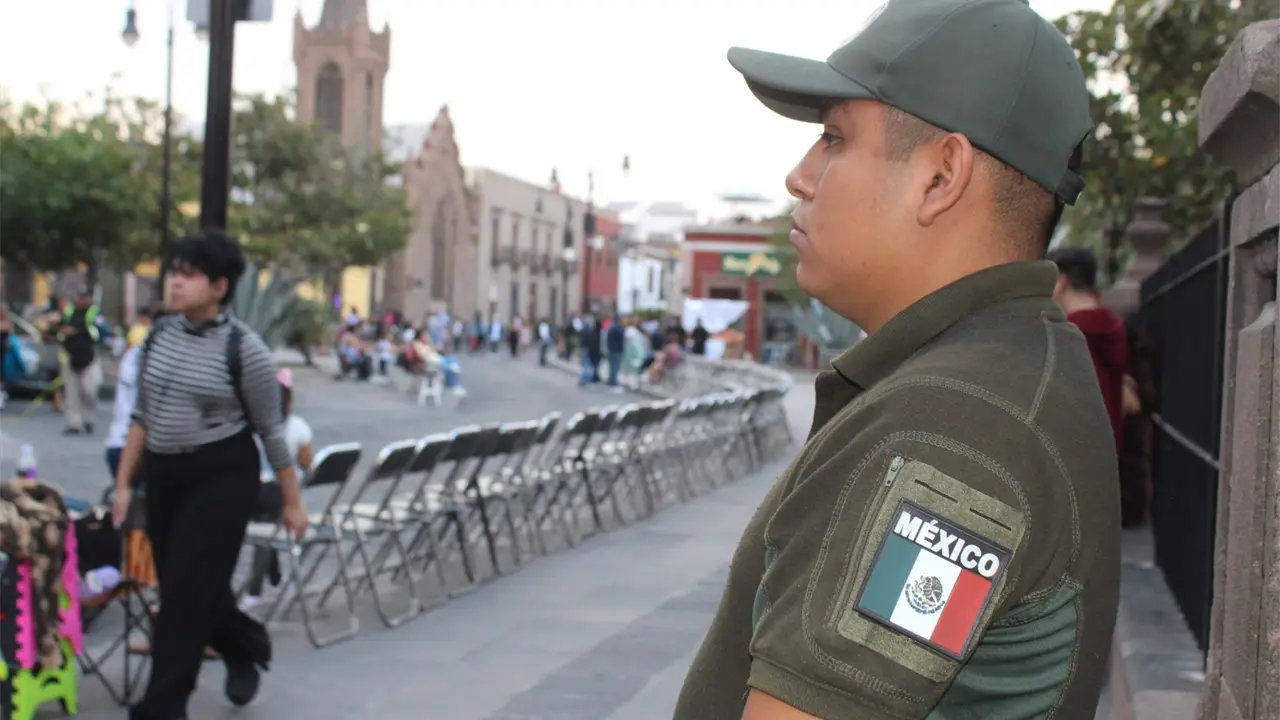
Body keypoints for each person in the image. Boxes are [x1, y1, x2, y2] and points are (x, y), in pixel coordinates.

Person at [674, 2, 1118, 718]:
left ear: (941, 176)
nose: (800, 174)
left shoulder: (953, 425)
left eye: (834, 139)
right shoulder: (1004, 371)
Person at [110, 230, 308, 720]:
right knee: (187, 585)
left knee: (185, 593)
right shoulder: (158, 336)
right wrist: (123, 484)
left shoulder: (246, 350)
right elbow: (141, 415)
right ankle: (244, 646)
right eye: (174, 272)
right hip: (166, 474)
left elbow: (272, 432)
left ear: (219, 287)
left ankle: (162, 706)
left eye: (189, 274)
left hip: (221, 476)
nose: (175, 283)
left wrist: (292, 501)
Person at [1048, 246, 1134, 453]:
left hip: (1076, 459)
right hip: (1110, 459)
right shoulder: (1115, 328)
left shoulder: (1066, 335)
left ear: (1061, 282)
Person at [242, 368, 313, 609]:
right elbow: (306, 461)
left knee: (264, 531)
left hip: (251, 487)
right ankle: (255, 589)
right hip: (278, 490)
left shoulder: (253, 426)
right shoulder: (297, 427)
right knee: (265, 537)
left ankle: (274, 577)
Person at [57, 288, 103, 435]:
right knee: (71, 393)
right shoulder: (69, 312)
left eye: (85, 297)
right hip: (71, 356)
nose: (82, 300)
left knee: (89, 390)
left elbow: (100, 332)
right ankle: (74, 423)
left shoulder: (95, 313)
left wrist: (77, 330)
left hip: (89, 357)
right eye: (80, 297)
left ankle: (89, 419)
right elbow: (59, 327)